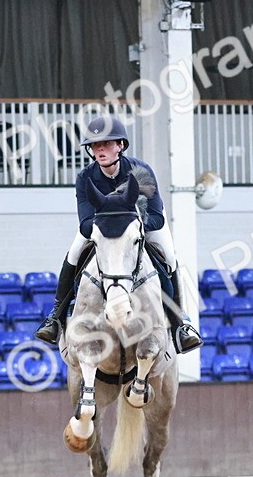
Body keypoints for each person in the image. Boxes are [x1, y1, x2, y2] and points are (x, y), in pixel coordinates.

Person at [34, 115, 202, 353]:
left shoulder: (140, 171)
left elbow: (156, 217)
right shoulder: (85, 178)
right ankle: (56, 318)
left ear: (120, 145)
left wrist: (132, 224)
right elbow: (84, 223)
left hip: (142, 225)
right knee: (74, 254)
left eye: (106, 144)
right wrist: (107, 225)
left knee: (169, 256)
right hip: (102, 229)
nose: (99, 150)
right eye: (95, 145)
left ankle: (180, 323)